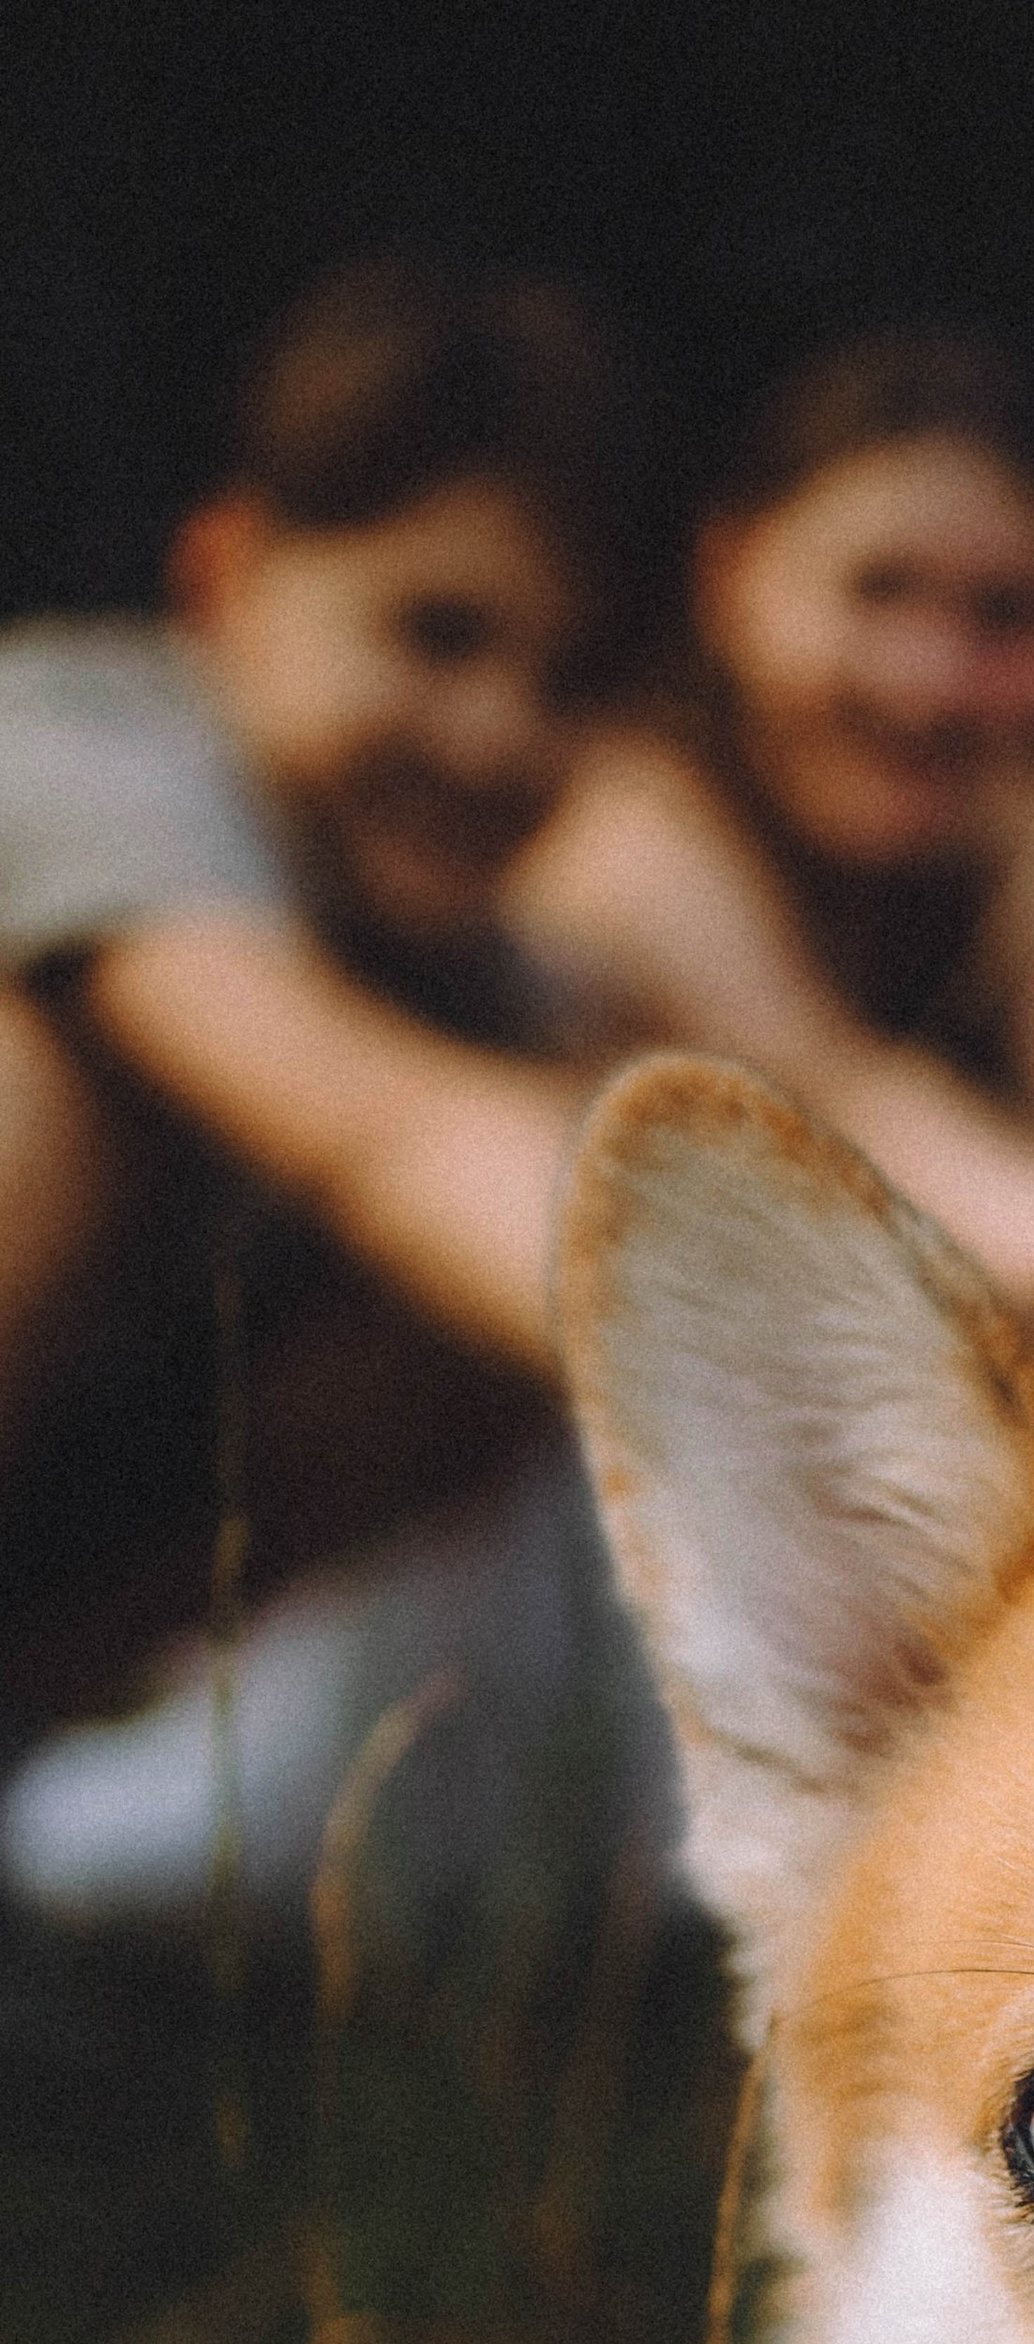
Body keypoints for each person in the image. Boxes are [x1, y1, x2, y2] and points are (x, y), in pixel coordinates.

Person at [0, 253, 651, 1725]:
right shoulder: (74, 740)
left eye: (572, 679)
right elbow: (373, 1123)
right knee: (43, 1102)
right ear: (224, 575)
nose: (499, 736)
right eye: (436, 631)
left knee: (467, 1328)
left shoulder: (458, 957)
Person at [508, 334, 1034, 1354]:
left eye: (1004, 615)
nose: (928, 681)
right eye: (876, 589)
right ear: (730, 575)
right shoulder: (625, 827)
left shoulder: (1005, 817)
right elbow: (837, 1105)